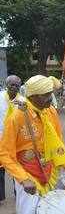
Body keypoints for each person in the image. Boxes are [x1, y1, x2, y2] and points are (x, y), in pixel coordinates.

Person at [0, 75, 65, 214]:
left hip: (49, 171)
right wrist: (22, 178)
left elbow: (57, 141)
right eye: (46, 95)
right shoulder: (17, 117)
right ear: (33, 95)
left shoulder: (50, 112)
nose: (50, 98)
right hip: (28, 175)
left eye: (51, 94)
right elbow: (5, 153)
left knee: (53, 209)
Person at [0, 75, 22, 204]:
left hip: (15, 139)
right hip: (0, 136)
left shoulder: (22, 101)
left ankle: (18, 192)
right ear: (6, 85)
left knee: (17, 165)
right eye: (11, 85)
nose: (14, 87)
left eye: (17, 85)